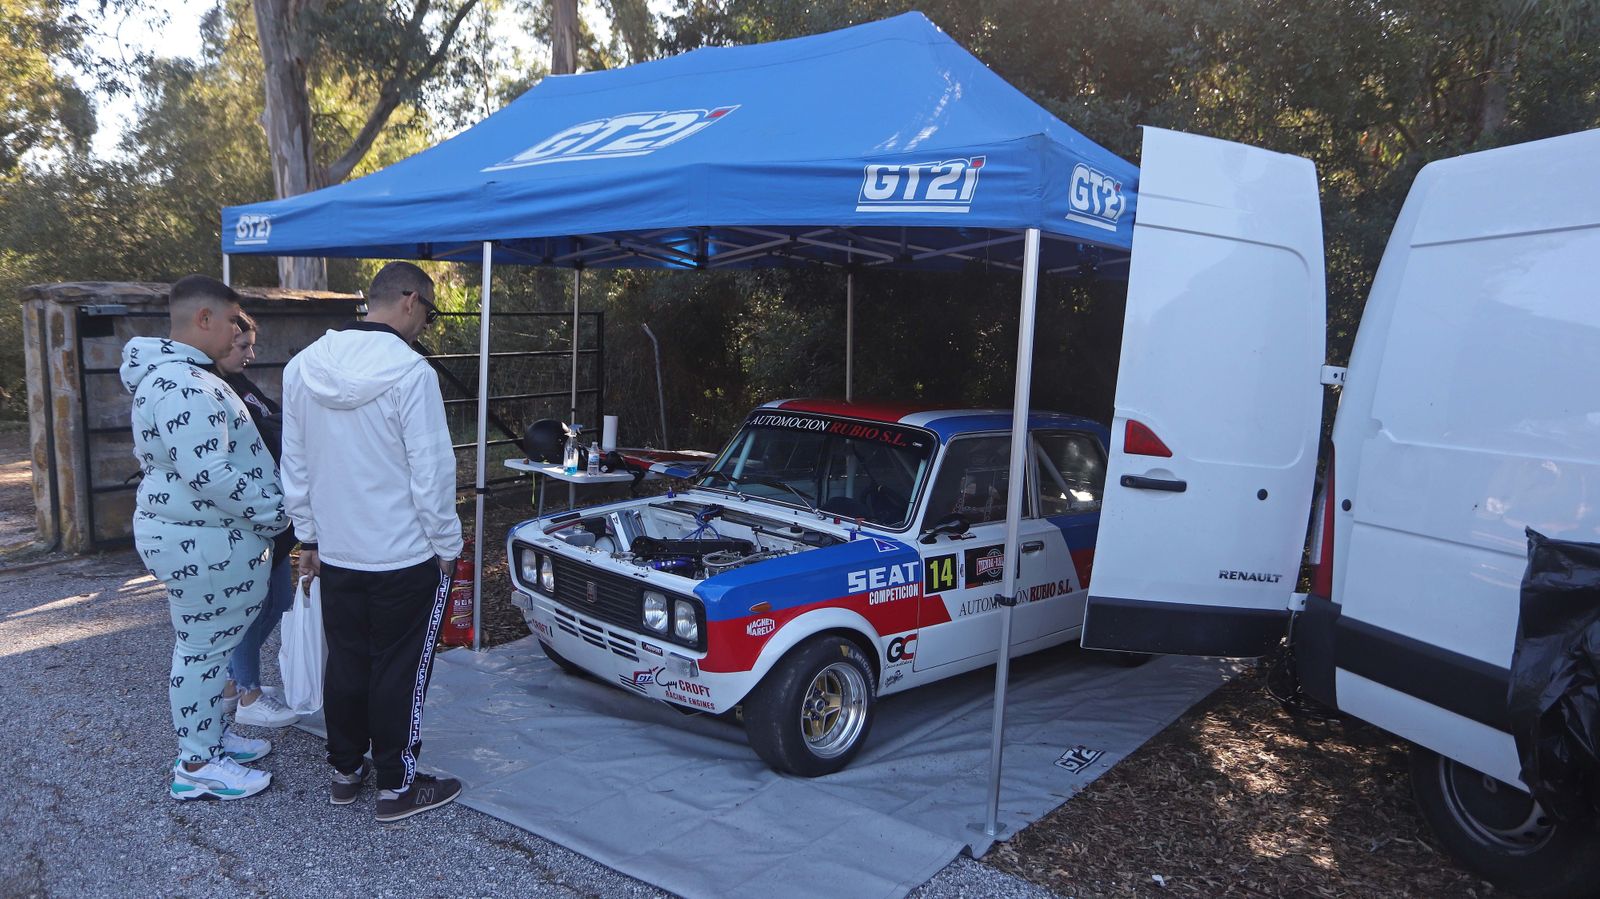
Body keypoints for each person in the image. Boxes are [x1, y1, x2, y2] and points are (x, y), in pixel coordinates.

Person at [281, 261, 464, 820]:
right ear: (410, 300)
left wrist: (307, 536)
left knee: (349, 662)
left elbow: (296, 464)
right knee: (400, 668)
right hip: (404, 551)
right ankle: (397, 784)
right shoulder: (412, 374)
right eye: (428, 314)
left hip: (338, 548)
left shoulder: (302, 367)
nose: (424, 327)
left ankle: (344, 770)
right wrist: (447, 545)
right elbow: (431, 472)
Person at [121, 274, 288, 801]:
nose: (242, 331)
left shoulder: (184, 377)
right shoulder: (185, 383)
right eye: (237, 321)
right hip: (202, 539)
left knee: (207, 650)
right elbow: (209, 472)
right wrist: (281, 513)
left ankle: (212, 740)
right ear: (205, 319)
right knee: (200, 651)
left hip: (207, 538)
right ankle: (196, 764)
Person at [209, 314, 300, 728]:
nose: (251, 354)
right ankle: (248, 692)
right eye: (242, 346)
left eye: (251, 345)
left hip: (275, 521)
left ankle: (232, 682)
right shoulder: (211, 392)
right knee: (248, 609)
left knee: (279, 602)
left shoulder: (243, 384)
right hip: (246, 523)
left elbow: (276, 425)